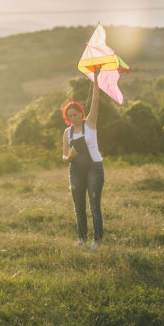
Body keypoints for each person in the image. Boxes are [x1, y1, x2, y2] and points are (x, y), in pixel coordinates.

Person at [62, 68, 104, 250]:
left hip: (94, 169)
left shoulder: (91, 124)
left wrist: (95, 79)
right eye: (69, 116)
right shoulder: (67, 132)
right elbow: (64, 157)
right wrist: (69, 157)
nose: (73, 118)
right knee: (79, 208)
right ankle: (82, 239)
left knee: (94, 207)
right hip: (75, 171)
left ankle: (97, 241)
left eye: (75, 114)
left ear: (82, 113)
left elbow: (95, 100)